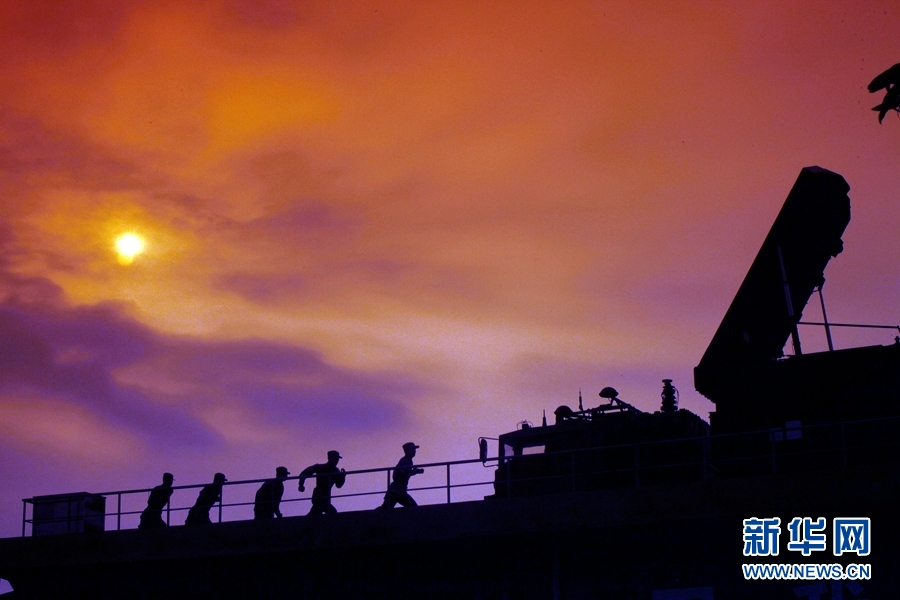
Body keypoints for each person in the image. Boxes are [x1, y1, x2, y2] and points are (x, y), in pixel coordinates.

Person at [298, 451, 346, 515]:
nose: (337, 461)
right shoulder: (320, 467)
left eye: (337, 459)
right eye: (335, 458)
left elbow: (338, 485)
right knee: (327, 513)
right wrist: (301, 484)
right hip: (318, 495)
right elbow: (305, 473)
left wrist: (342, 477)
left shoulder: (336, 471)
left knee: (317, 513)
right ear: (330, 458)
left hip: (326, 497)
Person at [379, 442, 424, 509]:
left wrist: (414, 472)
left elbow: (401, 473)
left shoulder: (408, 461)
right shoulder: (405, 461)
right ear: (408, 451)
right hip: (397, 491)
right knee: (413, 507)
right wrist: (414, 472)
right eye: (413, 449)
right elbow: (400, 474)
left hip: (396, 490)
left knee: (385, 508)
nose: (415, 451)